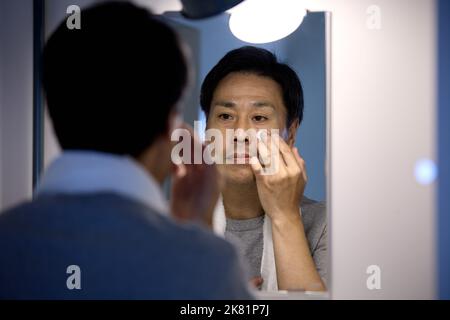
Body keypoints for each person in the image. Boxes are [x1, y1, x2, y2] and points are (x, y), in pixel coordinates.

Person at [0, 2, 252, 299]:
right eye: (225, 115)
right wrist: (198, 241)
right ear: (169, 123)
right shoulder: (209, 266)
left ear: (54, 110)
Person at [201, 46, 327, 291]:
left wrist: (286, 216)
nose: (240, 134)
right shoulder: (174, 224)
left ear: (290, 133)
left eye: (259, 118)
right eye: (226, 116)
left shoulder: (326, 224)